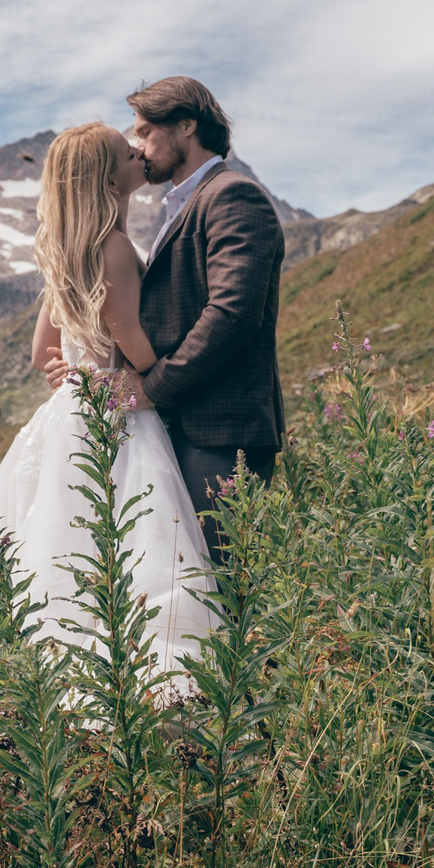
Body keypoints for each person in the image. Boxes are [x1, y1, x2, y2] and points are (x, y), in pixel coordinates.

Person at [0, 123, 221, 678]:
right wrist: (170, 378)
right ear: (107, 177)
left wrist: (70, 370)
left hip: (68, 414)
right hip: (116, 414)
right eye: (124, 151)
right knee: (129, 548)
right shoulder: (112, 246)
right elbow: (131, 342)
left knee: (55, 543)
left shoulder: (67, 250)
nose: (138, 152)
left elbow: (43, 351)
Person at [118, 77, 286, 549]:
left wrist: (153, 388)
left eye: (147, 131)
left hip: (222, 432)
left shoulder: (234, 196)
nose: (139, 146)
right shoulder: (185, 203)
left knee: (216, 586)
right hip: (190, 425)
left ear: (187, 126)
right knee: (186, 583)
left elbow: (232, 313)